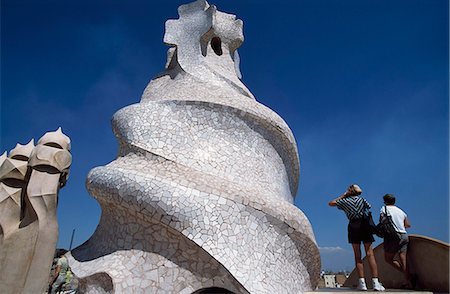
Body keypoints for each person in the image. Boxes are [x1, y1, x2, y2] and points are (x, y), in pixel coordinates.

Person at [329, 184, 385, 291]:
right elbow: (369, 207)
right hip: (365, 225)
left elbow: (330, 203)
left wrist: (343, 196)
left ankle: (362, 283)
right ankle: (375, 283)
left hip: (353, 226)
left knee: (357, 256)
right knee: (370, 254)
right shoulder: (362, 200)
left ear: (349, 191)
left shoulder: (345, 201)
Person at [380, 194, 412, 287]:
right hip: (404, 235)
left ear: (385, 201)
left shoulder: (384, 209)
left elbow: (382, 221)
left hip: (392, 236)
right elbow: (408, 224)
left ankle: (409, 276)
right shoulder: (401, 211)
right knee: (403, 258)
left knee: (388, 259)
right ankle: (407, 281)